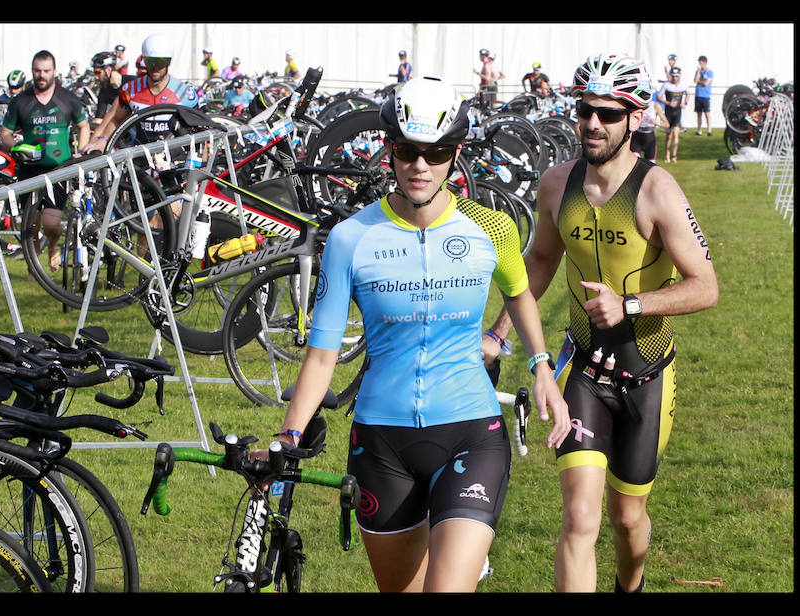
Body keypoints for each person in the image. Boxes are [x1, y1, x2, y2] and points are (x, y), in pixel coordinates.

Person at [263, 76, 570, 593]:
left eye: (437, 152)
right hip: (382, 442)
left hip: (470, 432)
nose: (421, 166)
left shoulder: (491, 230)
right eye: (407, 150)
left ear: (455, 154)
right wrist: (289, 436)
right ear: (389, 148)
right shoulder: (350, 238)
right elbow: (321, 357)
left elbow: (519, 293)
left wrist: (541, 367)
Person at [482, 53, 718, 593]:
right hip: (583, 371)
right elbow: (539, 262)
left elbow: (706, 285)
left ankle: (628, 587)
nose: (592, 123)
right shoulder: (555, 183)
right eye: (585, 110)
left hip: (647, 376)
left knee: (627, 520)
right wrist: (498, 336)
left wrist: (630, 304)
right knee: (579, 518)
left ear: (635, 119)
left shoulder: (658, 192)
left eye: (609, 114)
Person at [0, 50, 91, 271]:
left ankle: (53, 246)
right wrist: (16, 147)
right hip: (29, 169)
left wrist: (81, 151)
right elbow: (5, 133)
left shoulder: (68, 99)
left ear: (54, 72)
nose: (41, 75)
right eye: (37, 71)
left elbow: (84, 125)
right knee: (31, 223)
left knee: (51, 223)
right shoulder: (20, 101)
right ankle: (34, 265)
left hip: (59, 169)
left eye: (46, 71)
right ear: (32, 71)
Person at [82, 33, 199, 152]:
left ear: (169, 62)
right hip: (141, 158)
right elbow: (116, 119)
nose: (155, 68)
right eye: (150, 62)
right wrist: (104, 139)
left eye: (160, 63)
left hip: (174, 158)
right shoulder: (130, 90)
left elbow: (201, 134)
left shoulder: (185, 93)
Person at [89, 51, 132, 128]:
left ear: (108, 70)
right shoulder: (104, 92)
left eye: (98, 73)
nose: (96, 77)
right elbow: (99, 119)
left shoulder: (132, 82)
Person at [656, 67, 688, 163]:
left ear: (679, 76)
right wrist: (667, 103)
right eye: (673, 76)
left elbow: (688, 94)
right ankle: (667, 154)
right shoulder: (666, 85)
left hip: (678, 112)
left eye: (677, 76)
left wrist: (685, 103)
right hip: (669, 112)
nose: (675, 78)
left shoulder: (683, 85)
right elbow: (658, 97)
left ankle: (674, 156)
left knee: (676, 134)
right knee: (669, 135)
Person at [692, 56, 713, 136]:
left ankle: (709, 130)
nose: (700, 64)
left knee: (707, 113)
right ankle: (699, 130)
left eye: (701, 63)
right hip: (698, 95)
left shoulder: (709, 72)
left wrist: (699, 81)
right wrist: (698, 71)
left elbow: (706, 83)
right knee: (699, 114)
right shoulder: (698, 71)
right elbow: (695, 80)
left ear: (705, 62)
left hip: (706, 95)